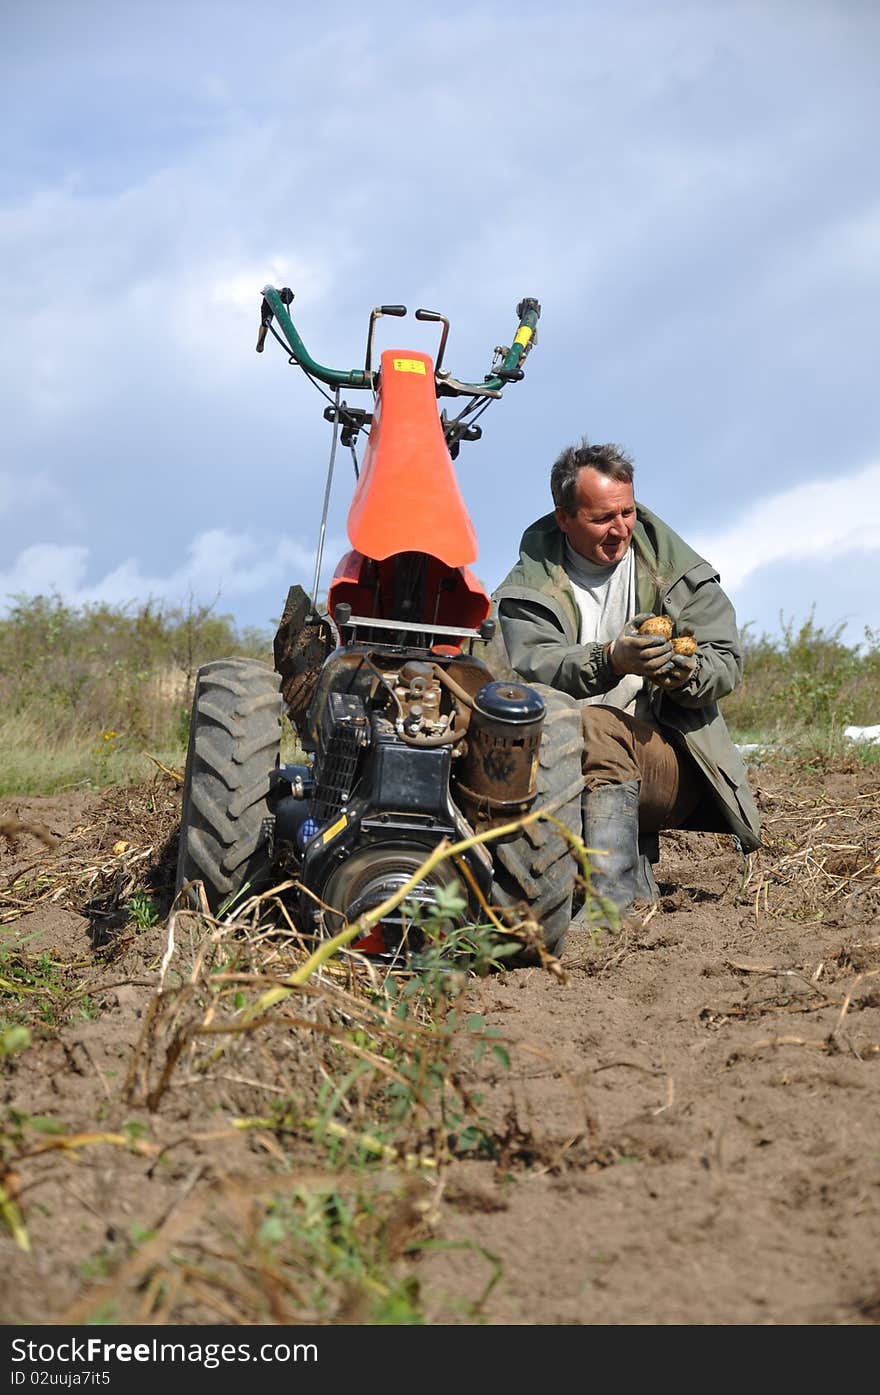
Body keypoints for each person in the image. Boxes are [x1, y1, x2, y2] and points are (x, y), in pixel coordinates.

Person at [492, 437, 761, 918]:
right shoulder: (529, 587)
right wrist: (612, 660)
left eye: (628, 513)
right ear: (564, 518)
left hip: (671, 762)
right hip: (560, 763)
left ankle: (614, 906)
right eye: (602, 519)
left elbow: (726, 663)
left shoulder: (676, 572)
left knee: (596, 727)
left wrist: (683, 672)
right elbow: (539, 665)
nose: (620, 529)